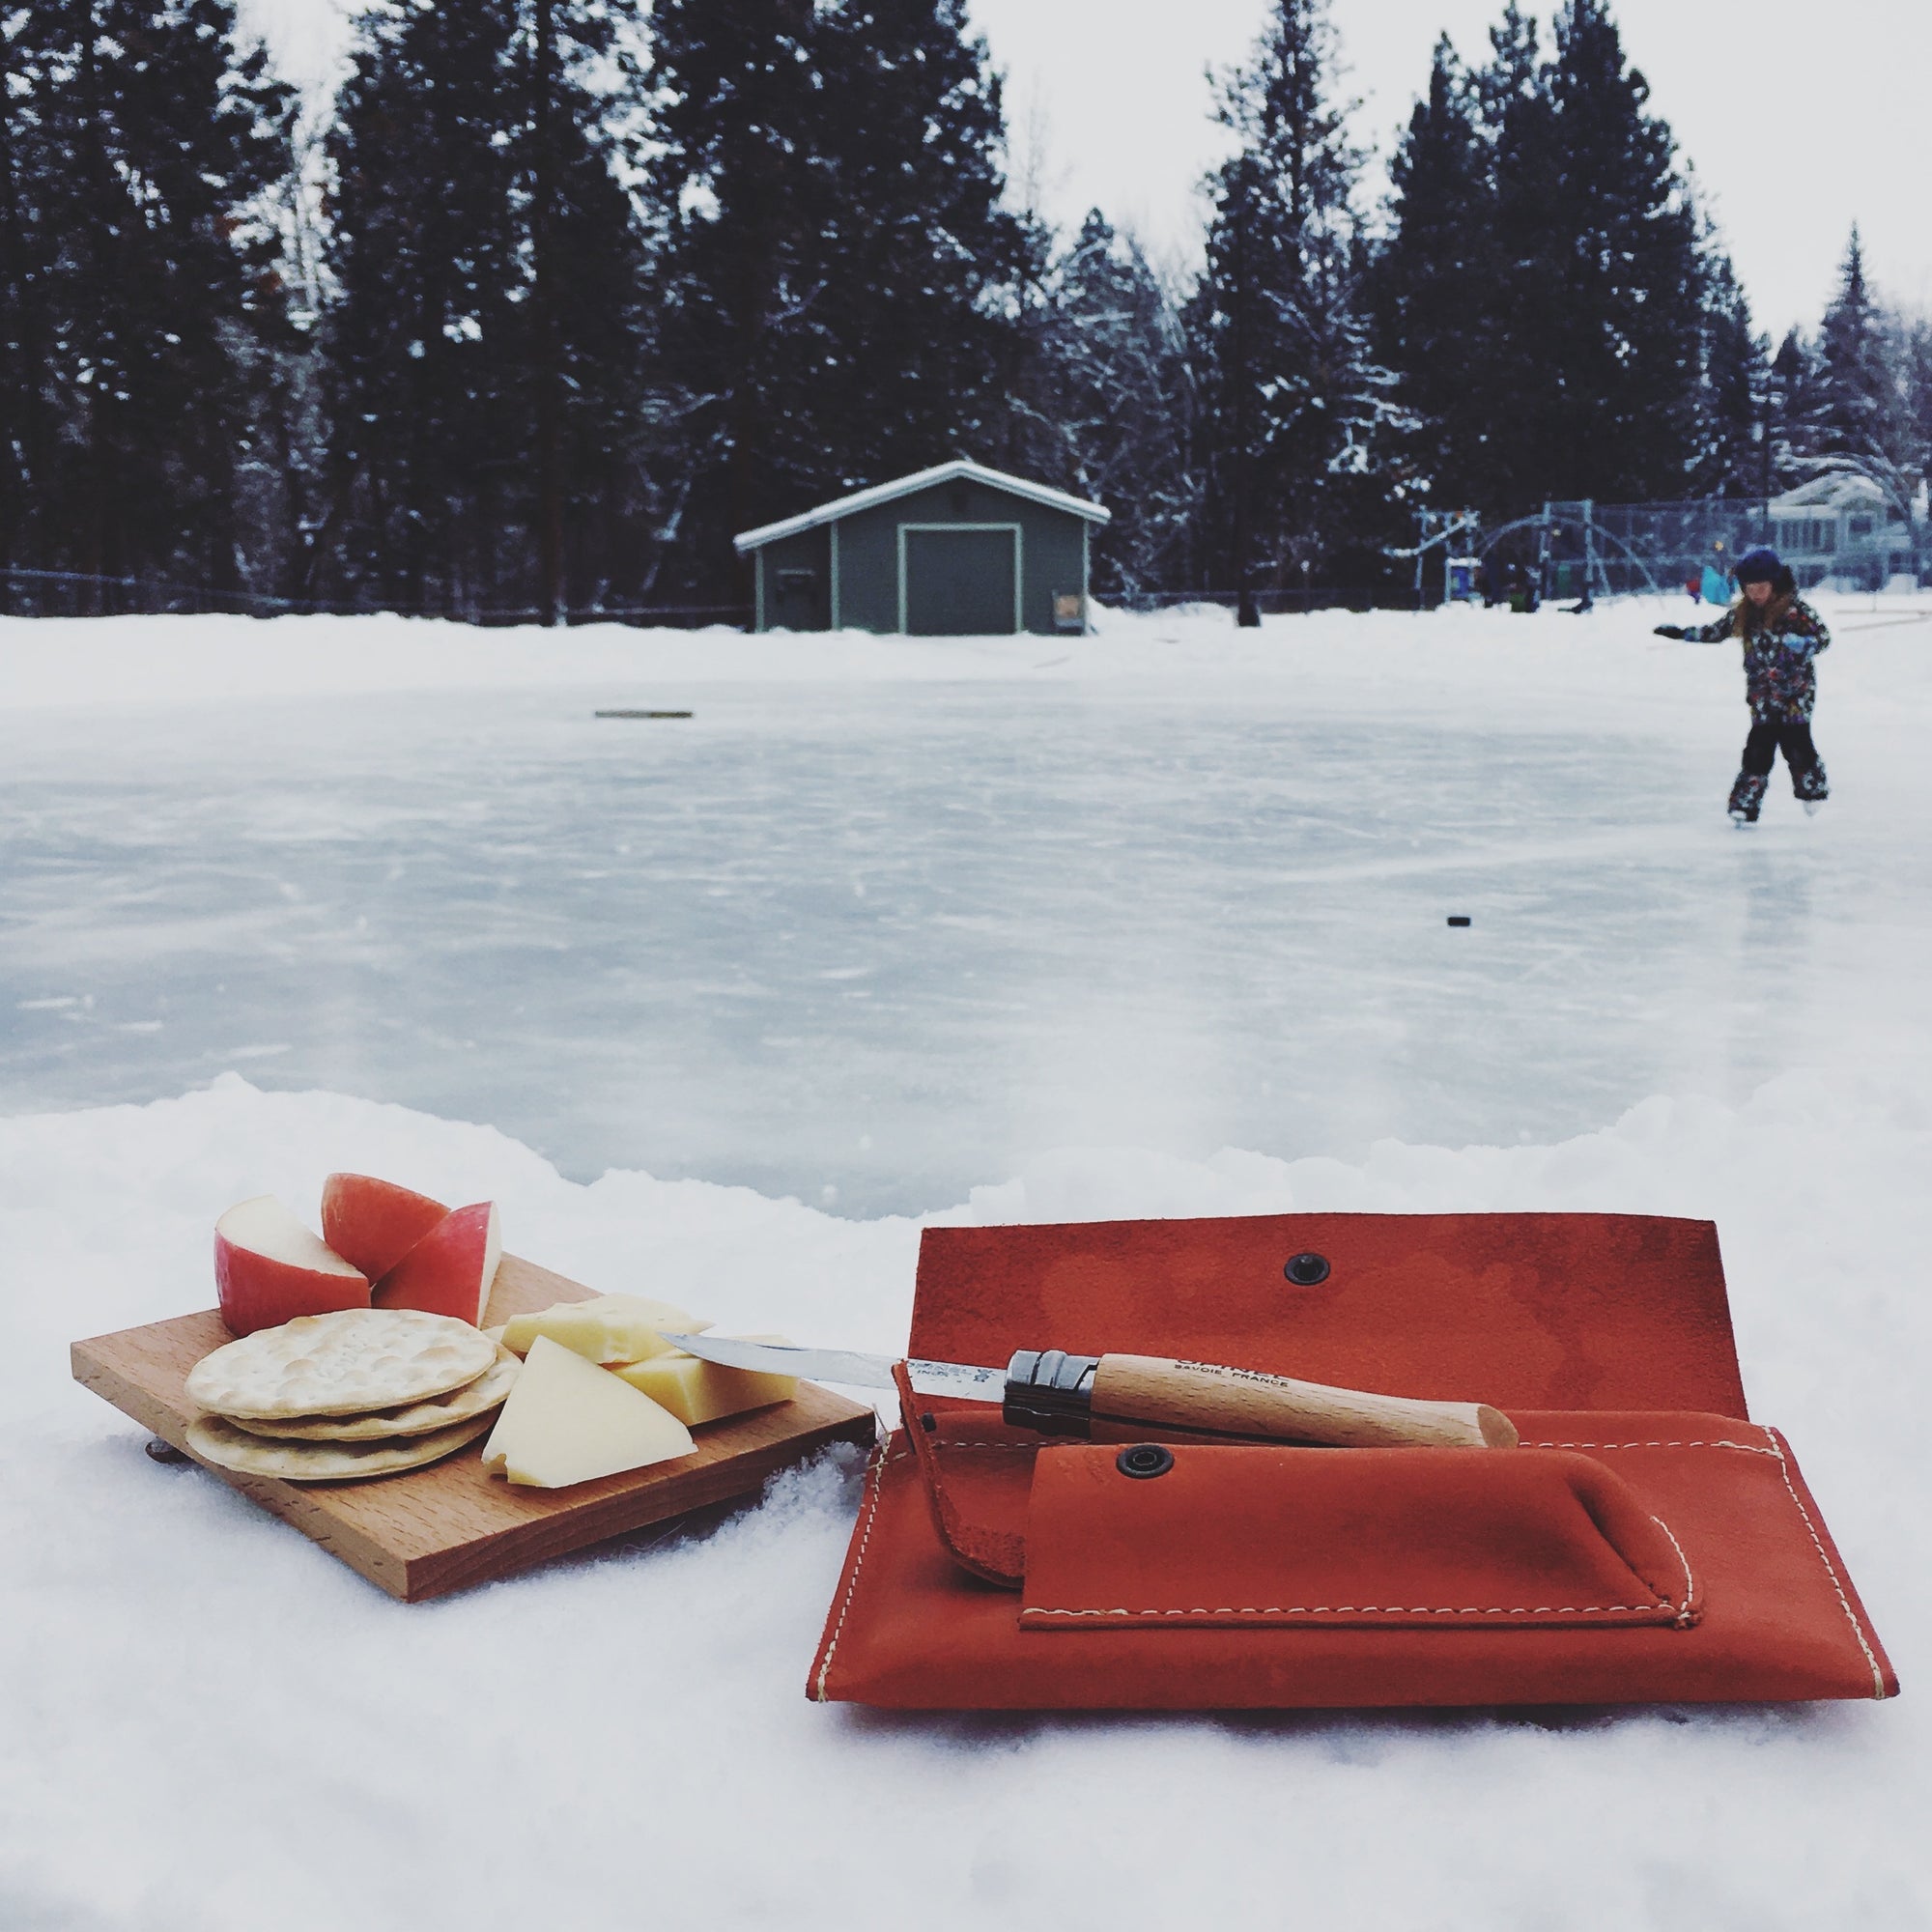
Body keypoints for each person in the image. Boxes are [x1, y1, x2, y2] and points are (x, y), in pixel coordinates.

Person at [1655, 547, 1830, 825]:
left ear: (1775, 583)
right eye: (1750, 588)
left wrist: (1806, 644)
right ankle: (1744, 804)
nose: (1756, 593)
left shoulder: (1796, 611)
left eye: (1761, 587)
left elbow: (1823, 638)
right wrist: (1682, 634)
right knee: (1757, 748)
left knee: (1796, 744)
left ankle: (1813, 790)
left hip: (1796, 692)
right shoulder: (1744, 614)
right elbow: (1715, 632)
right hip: (1762, 694)